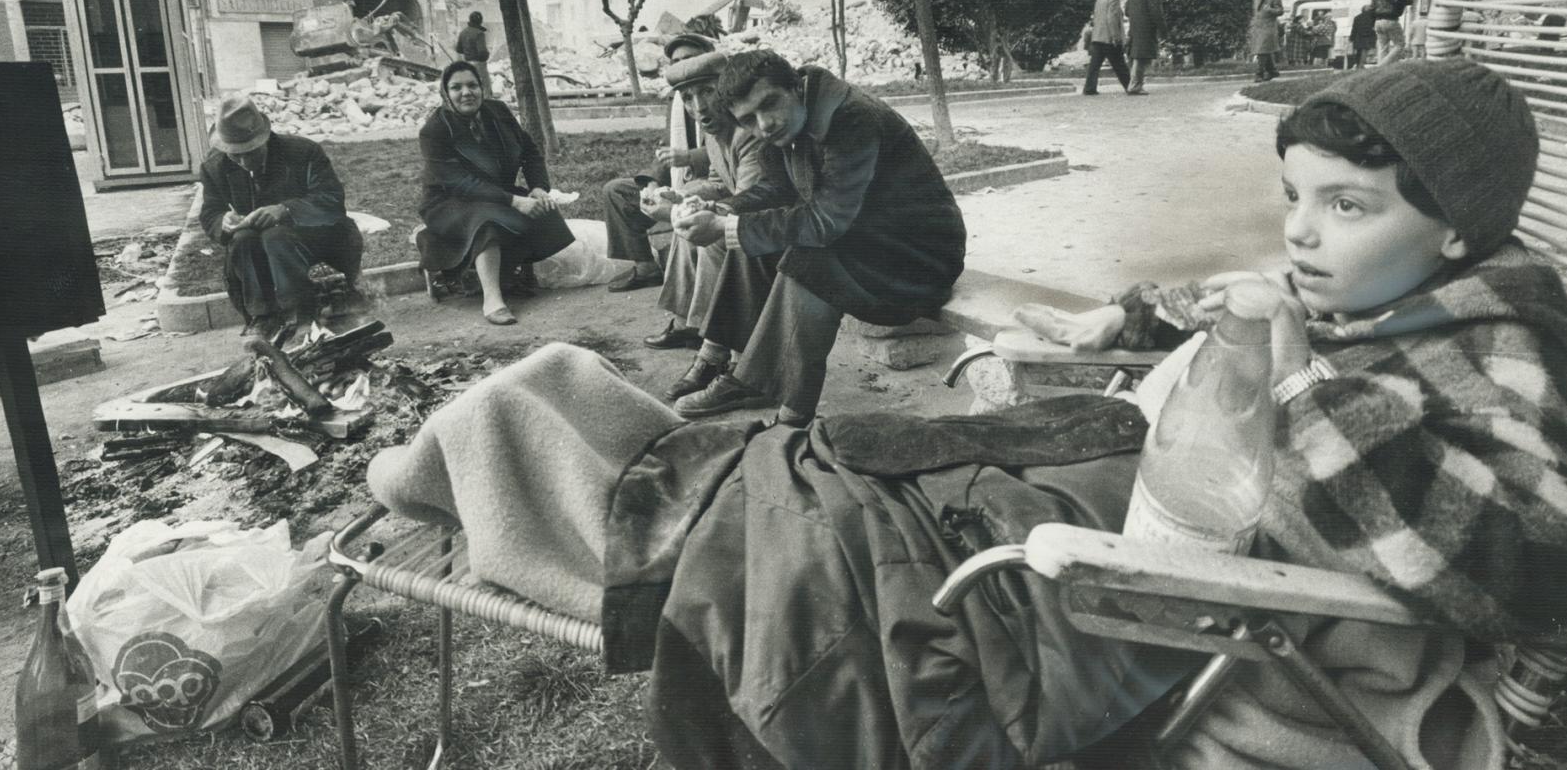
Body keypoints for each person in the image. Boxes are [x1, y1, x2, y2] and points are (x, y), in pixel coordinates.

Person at [369, 58, 1565, 770]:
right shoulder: (1398, 303)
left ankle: (515, 460)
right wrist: (1141, 319)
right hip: (1103, 480)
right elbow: (1244, 316)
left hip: (1122, 578)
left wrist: (1293, 376)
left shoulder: (1494, 353)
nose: (1300, 232)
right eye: (1293, 196)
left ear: (1459, 231)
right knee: (767, 457)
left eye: (1346, 209)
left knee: (791, 522)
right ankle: (555, 429)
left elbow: (1528, 570)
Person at [669, 50, 967, 422]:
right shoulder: (790, 121)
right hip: (869, 244)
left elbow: (828, 222)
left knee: (807, 256)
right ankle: (728, 363)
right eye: (749, 119)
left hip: (920, 259)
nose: (765, 125)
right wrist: (725, 210)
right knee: (751, 235)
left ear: (795, 85)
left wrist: (730, 227)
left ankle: (793, 413)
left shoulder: (851, 117)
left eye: (770, 104)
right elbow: (776, 189)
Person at [647, 51, 768, 402]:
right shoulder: (715, 131)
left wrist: (697, 209)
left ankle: (714, 353)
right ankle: (693, 326)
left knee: (713, 238)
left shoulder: (747, 131)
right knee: (689, 224)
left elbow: (753, 198)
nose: (698, 106)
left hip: (777, 226)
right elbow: (717, 181)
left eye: (707, 92)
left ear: (727, 88)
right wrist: (679, 195)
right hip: (751, 216)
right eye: (688, 97)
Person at [416, 61, 573, 325]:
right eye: (456, 87)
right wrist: (513, 201)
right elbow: (461, 183)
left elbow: (530, 152)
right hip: (448, 202)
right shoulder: (434, 131)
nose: (466, 92)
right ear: (446, 93)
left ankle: (510, 273)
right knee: (486, 223)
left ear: (482, 87)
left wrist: (537, 188)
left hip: (494, 194)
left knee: (543, 211)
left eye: (472, 85)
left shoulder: (497, 112)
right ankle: (493, 298)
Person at [198, 94, 363, 340]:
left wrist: (285, 210)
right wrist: (222, 220)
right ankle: (263, 316)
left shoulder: (302, 152)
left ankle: (301, 312)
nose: (243, 161)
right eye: (235, 154)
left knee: (276, 236)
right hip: (258, 247)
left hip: (320, 237)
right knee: (242, 238)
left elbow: (331, 199)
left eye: (250, 151)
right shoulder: (215, 166)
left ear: (264, 138)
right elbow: (210, 210)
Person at [600, 33, 718, 293]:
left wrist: (690, 158)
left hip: (717, 181)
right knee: (617, 191)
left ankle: (684, 267)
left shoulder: (724, 93)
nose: (681, 66)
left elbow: (733, 147)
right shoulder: (677, 100)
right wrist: (652, 182)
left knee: (689, 198)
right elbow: (669, 149)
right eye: (675, 61)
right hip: (682, 178)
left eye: (689, 59)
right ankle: (646, 267)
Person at [1083, 0, 1131, 95]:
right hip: (1109, 38)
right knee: (1119, 64)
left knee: (1094, 65)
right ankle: (1130, 86)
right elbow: (1112, 19)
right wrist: (1116, 37)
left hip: (1098, 36)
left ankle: (1089, 88)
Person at [1124, 0, 1166, 95]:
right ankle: (1135, 86)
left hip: (1134, 28)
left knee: (1135, 56)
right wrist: (1162, 29)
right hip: (1146, 28)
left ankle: (1134, 84)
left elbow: (1126, 11)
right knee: (1141, 58)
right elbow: (1156, 13)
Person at [1371, 0, 1412, 65]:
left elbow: (1372, 6)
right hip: (1391, 20)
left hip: (1378, 21)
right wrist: (1410, 0)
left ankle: (1381, 71)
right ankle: (1381, 67)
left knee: (1383, 47)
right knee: (1400, 45)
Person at [1247, 0, 1283, 82]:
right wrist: (1252, 25)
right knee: (1264, 50)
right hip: (1257, 27)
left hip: (1269, 27)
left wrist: (1271, 10)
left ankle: (1259, 73)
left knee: (1261, 50)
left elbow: (1280, 11)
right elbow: (1255, 13)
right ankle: (1273, 71)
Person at [1347, 3, 1375, 69]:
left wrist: (1352, 37)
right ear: (1366, 9)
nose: (1371, 8)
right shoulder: (1372, 16)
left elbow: (1354, 28)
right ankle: (1361, 65)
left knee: (1359, 51)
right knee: (1364, 50)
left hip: (1358, 36)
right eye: (1369, 8)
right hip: (1367, 36)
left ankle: (1358, 64)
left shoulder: (1357, 17)